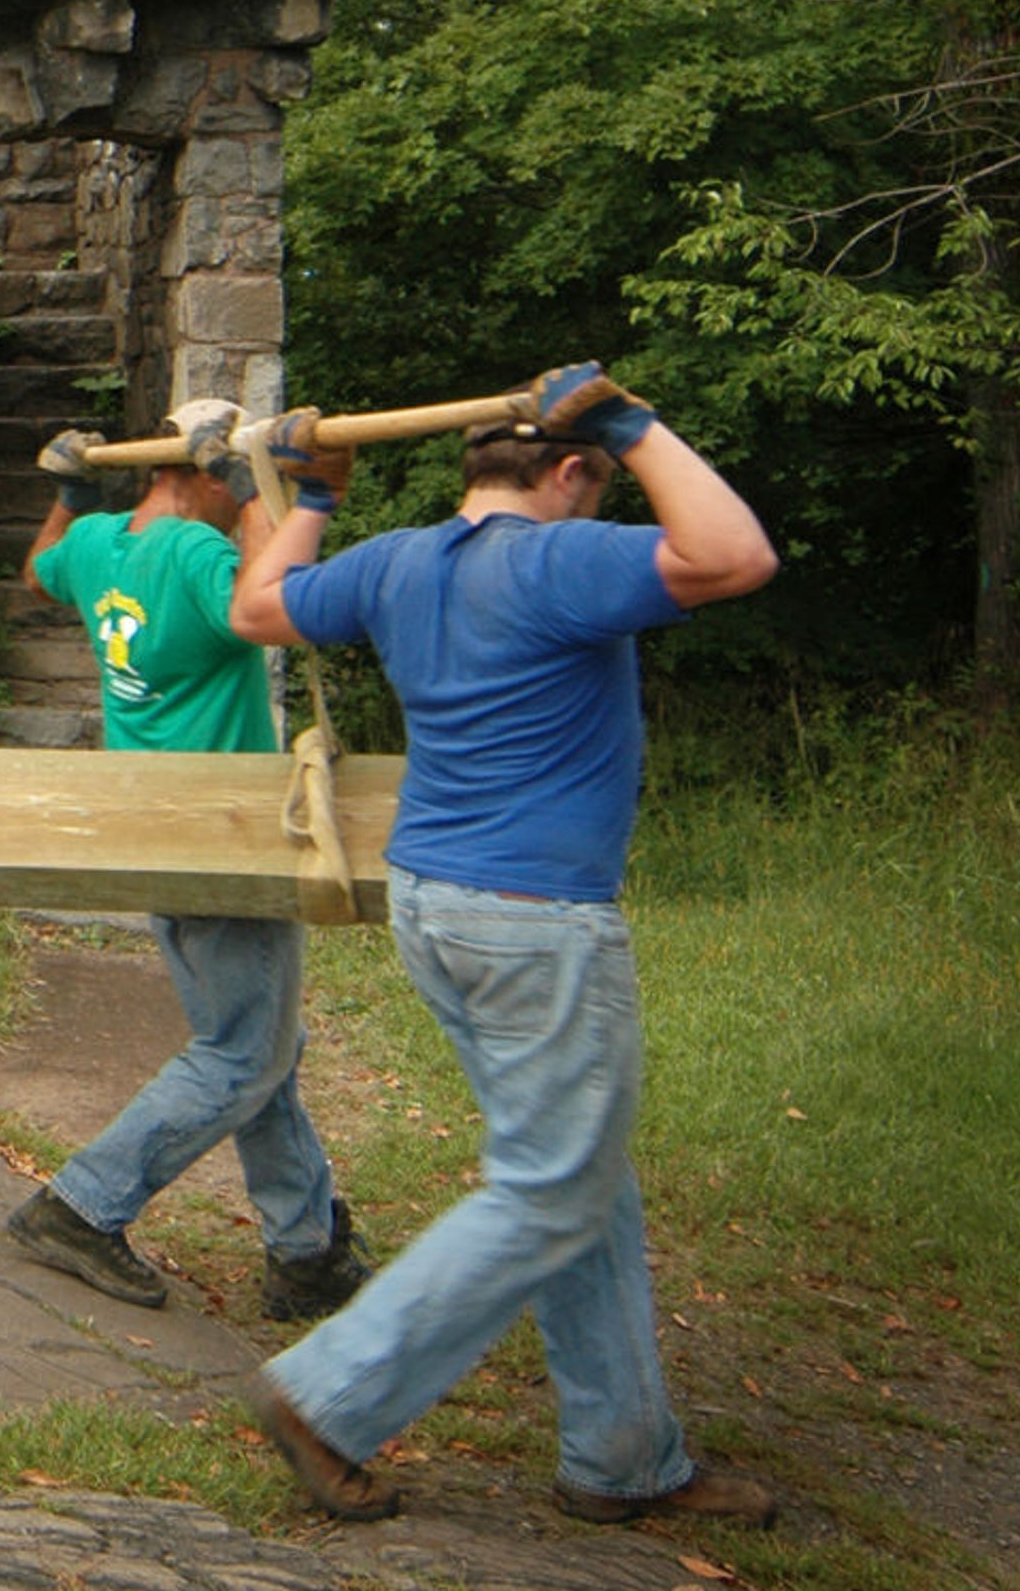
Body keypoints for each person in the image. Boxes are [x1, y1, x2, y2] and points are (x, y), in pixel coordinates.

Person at [227, 363, 782, 1529]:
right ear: (570, 469)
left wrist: (315, 497)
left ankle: (625, 1459)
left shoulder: (395, 562)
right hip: (536, 921)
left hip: (436, 906)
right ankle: (331, 1395)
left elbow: (256, 608)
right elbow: (737, 556)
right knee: (551, 1187)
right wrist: (639, 425)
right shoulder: (563, 557)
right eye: (598, 472)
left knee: (580, 1181)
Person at [8, 412, 372, 1320]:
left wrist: (67, 497)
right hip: (225, 834)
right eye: (240, 474)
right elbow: (274, 609)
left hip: (151, 828)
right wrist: (256, 496)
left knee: (259, 1049)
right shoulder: (203, 558)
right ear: (210, 473)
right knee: (244, 1052)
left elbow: (36, 568)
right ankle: (82, 1205)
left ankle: (307, 1251)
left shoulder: (96, 543)